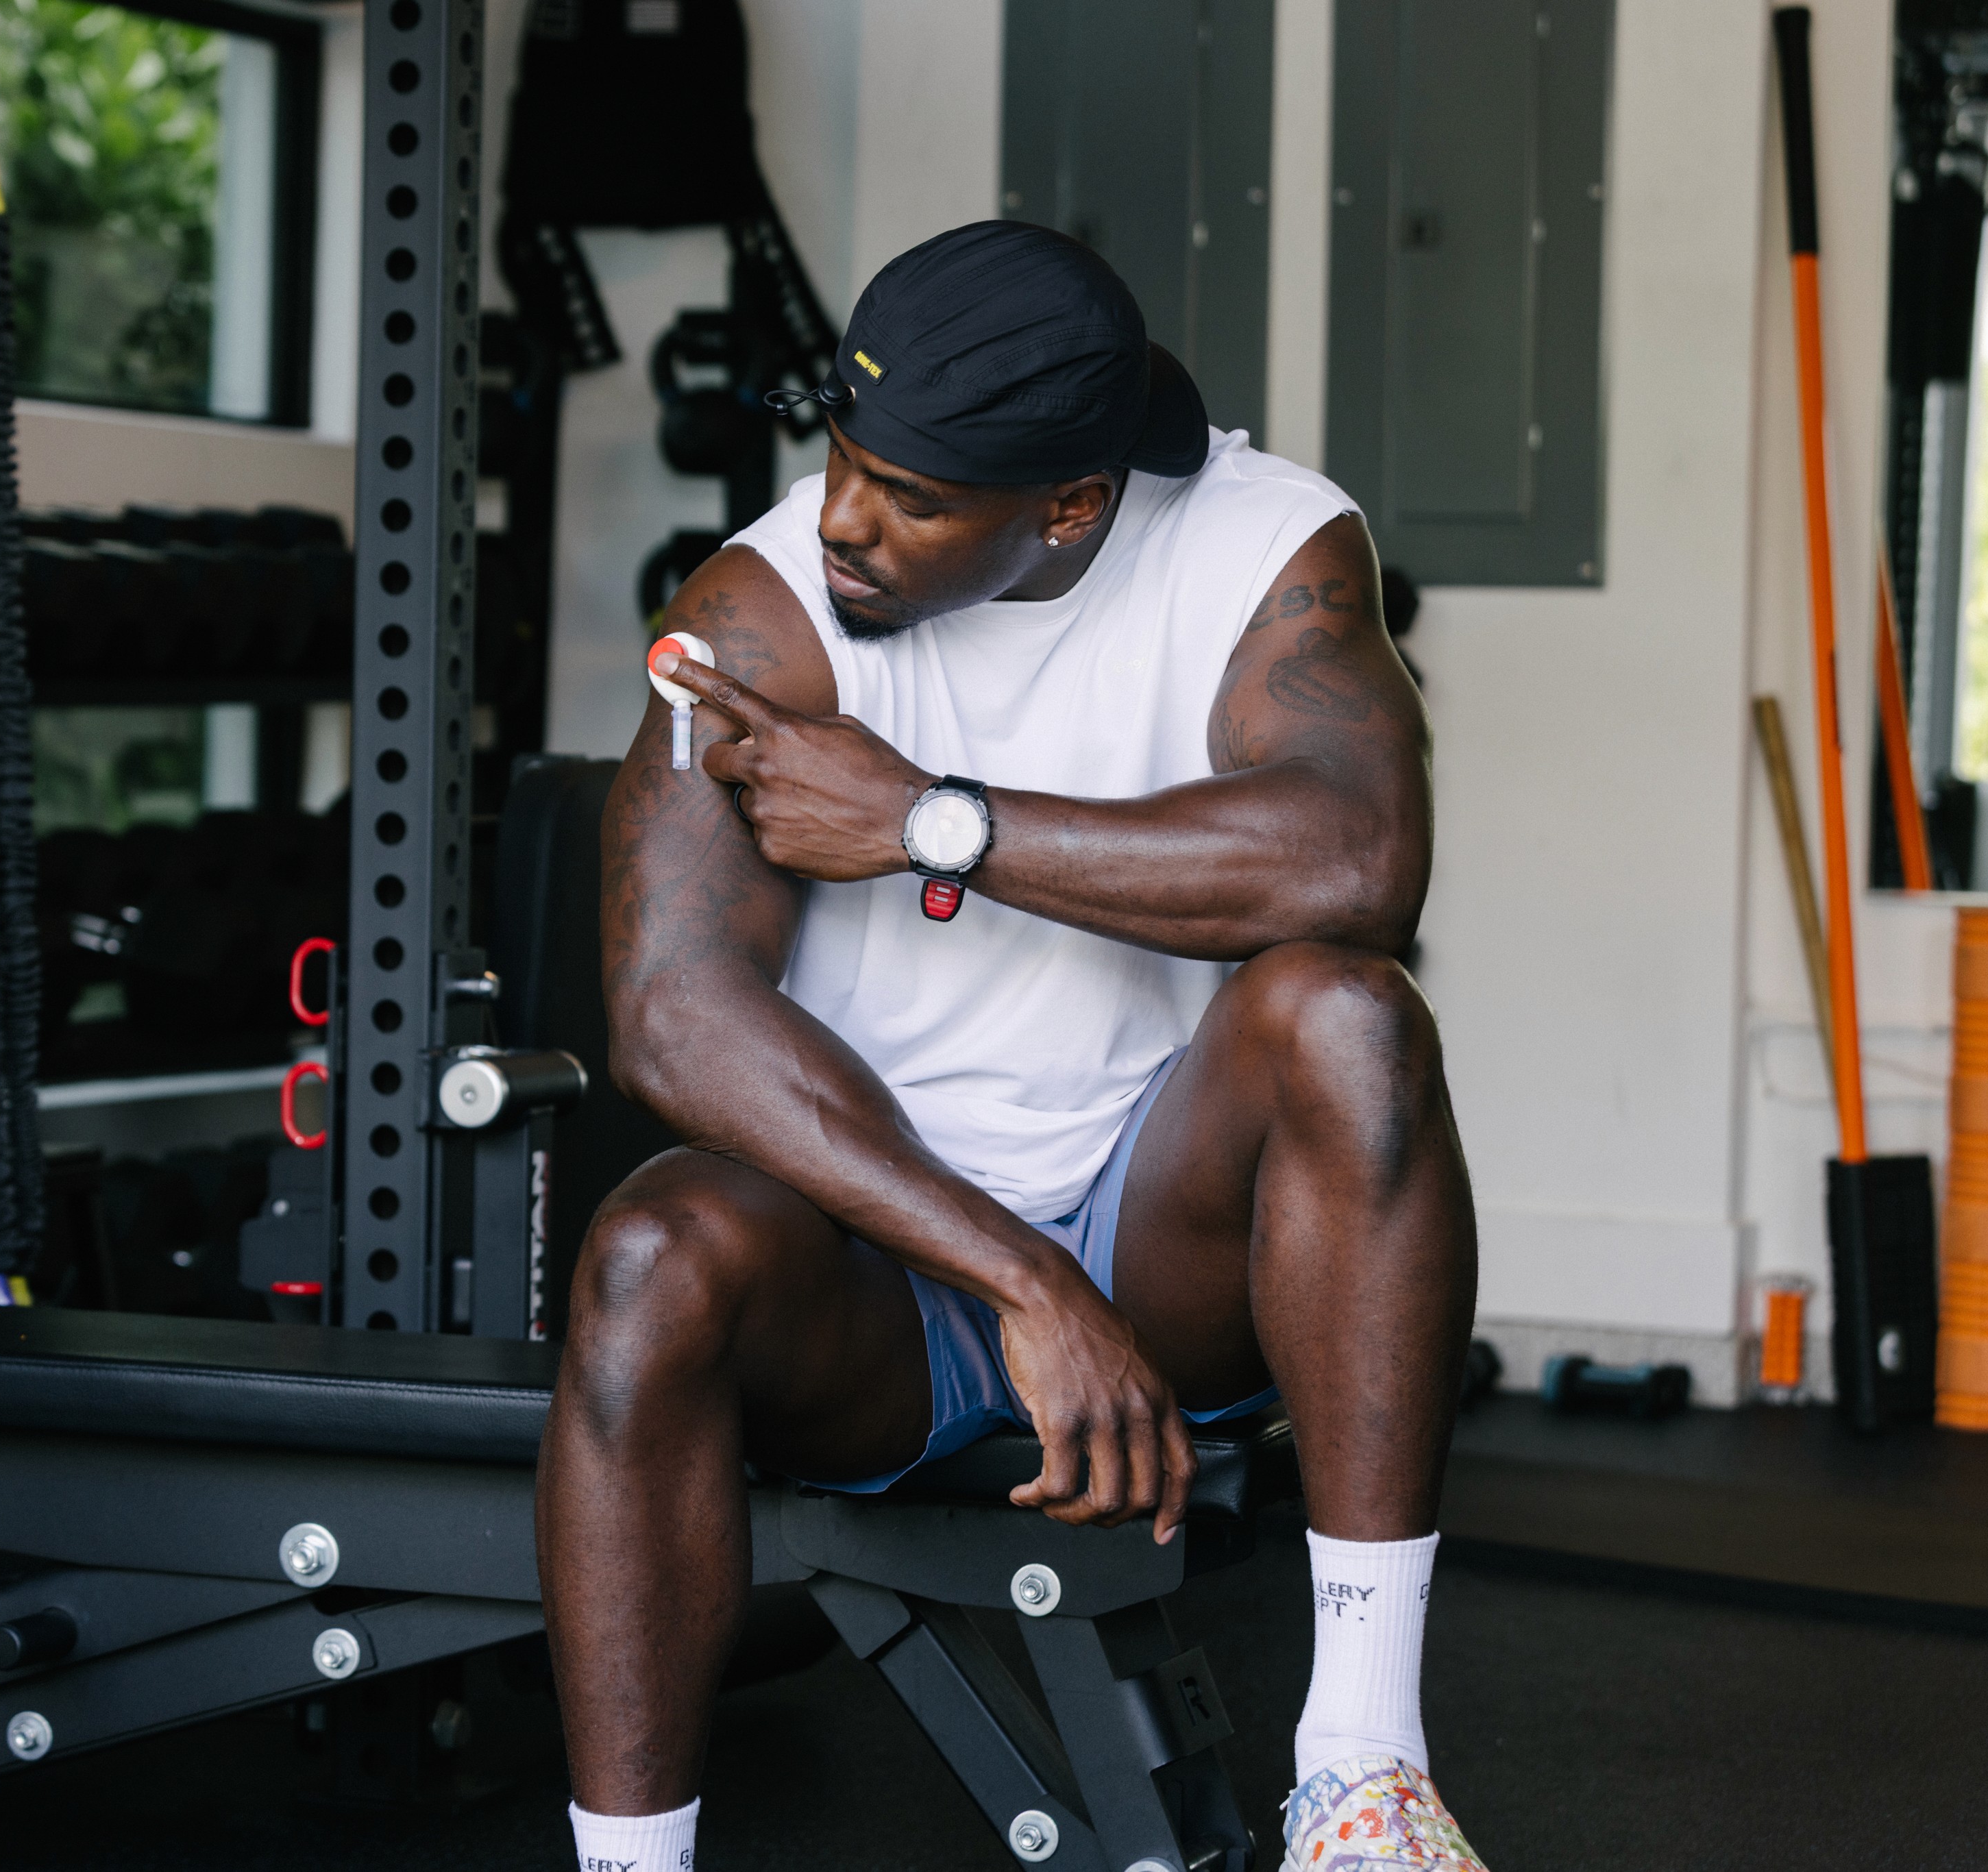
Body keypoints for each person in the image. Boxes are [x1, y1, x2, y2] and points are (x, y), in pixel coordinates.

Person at [538, 222, 1487, 1871]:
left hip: (1163, 1254)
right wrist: (1019, 1286)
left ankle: (1359, 1771)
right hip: (879, 1280)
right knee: (643, 1260)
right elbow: (669, 1020)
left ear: (1067, 506)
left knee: (1345, 1018)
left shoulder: (1262, 546)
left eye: (907, 497)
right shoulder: (760, 615)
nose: (844, 515)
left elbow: (1356, 865)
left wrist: (925, 820)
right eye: (839, 457)